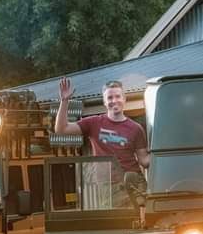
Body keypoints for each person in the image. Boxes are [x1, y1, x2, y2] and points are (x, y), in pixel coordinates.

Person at [53, 78, 149, 211]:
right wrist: (64, 101)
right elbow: (61, 129)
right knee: (118, 221)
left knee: (143, 219)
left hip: (134, 183)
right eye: (110, 97)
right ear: (104, 102)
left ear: (124, 99)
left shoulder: (136, 128)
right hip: (108, 186)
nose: (114, 100)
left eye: (117, 96)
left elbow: (144, 160)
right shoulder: (94, 123)